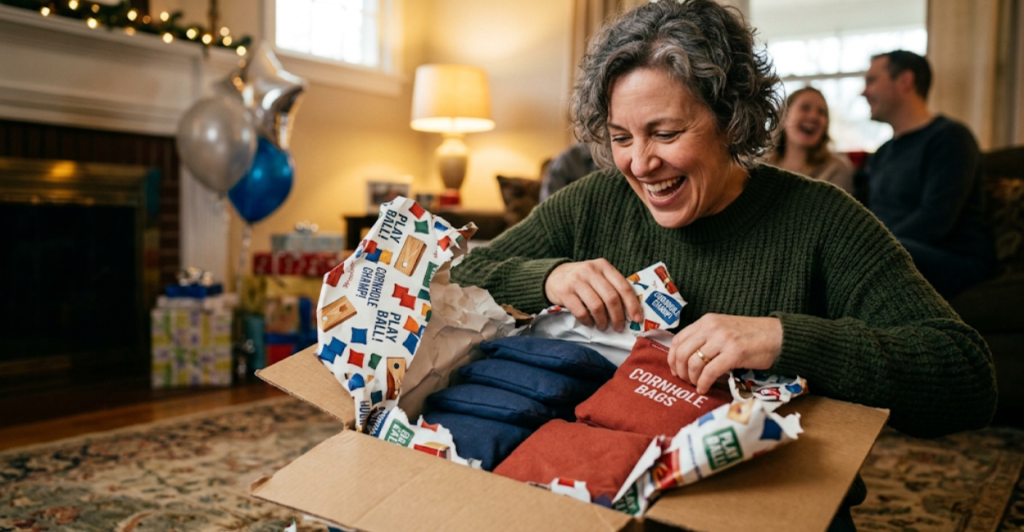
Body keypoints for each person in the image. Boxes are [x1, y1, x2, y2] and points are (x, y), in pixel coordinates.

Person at [451, 1, 997, 529]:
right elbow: (455, 276)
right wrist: (549, 275)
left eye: (665, 133)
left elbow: (966, 378)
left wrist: (785, 339)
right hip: (601, 494)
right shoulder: (596, 199)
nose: (641, 164)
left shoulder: (824, 220)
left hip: (768, 507)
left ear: (732, 120)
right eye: (622, 138)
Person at [862, 50, 995, 299]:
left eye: (871, 80)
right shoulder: (881, 153)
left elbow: (936, 219)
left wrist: (872, 246)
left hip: (953, 258)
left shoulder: (950, 138)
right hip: (895, 250)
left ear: (905, 81)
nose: (863, 92)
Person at [767, 87, 855, 194]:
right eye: (805, 108)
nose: (813, 116)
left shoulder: (836, 169)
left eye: (821, 112)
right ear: (784, 116)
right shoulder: (760, 166)